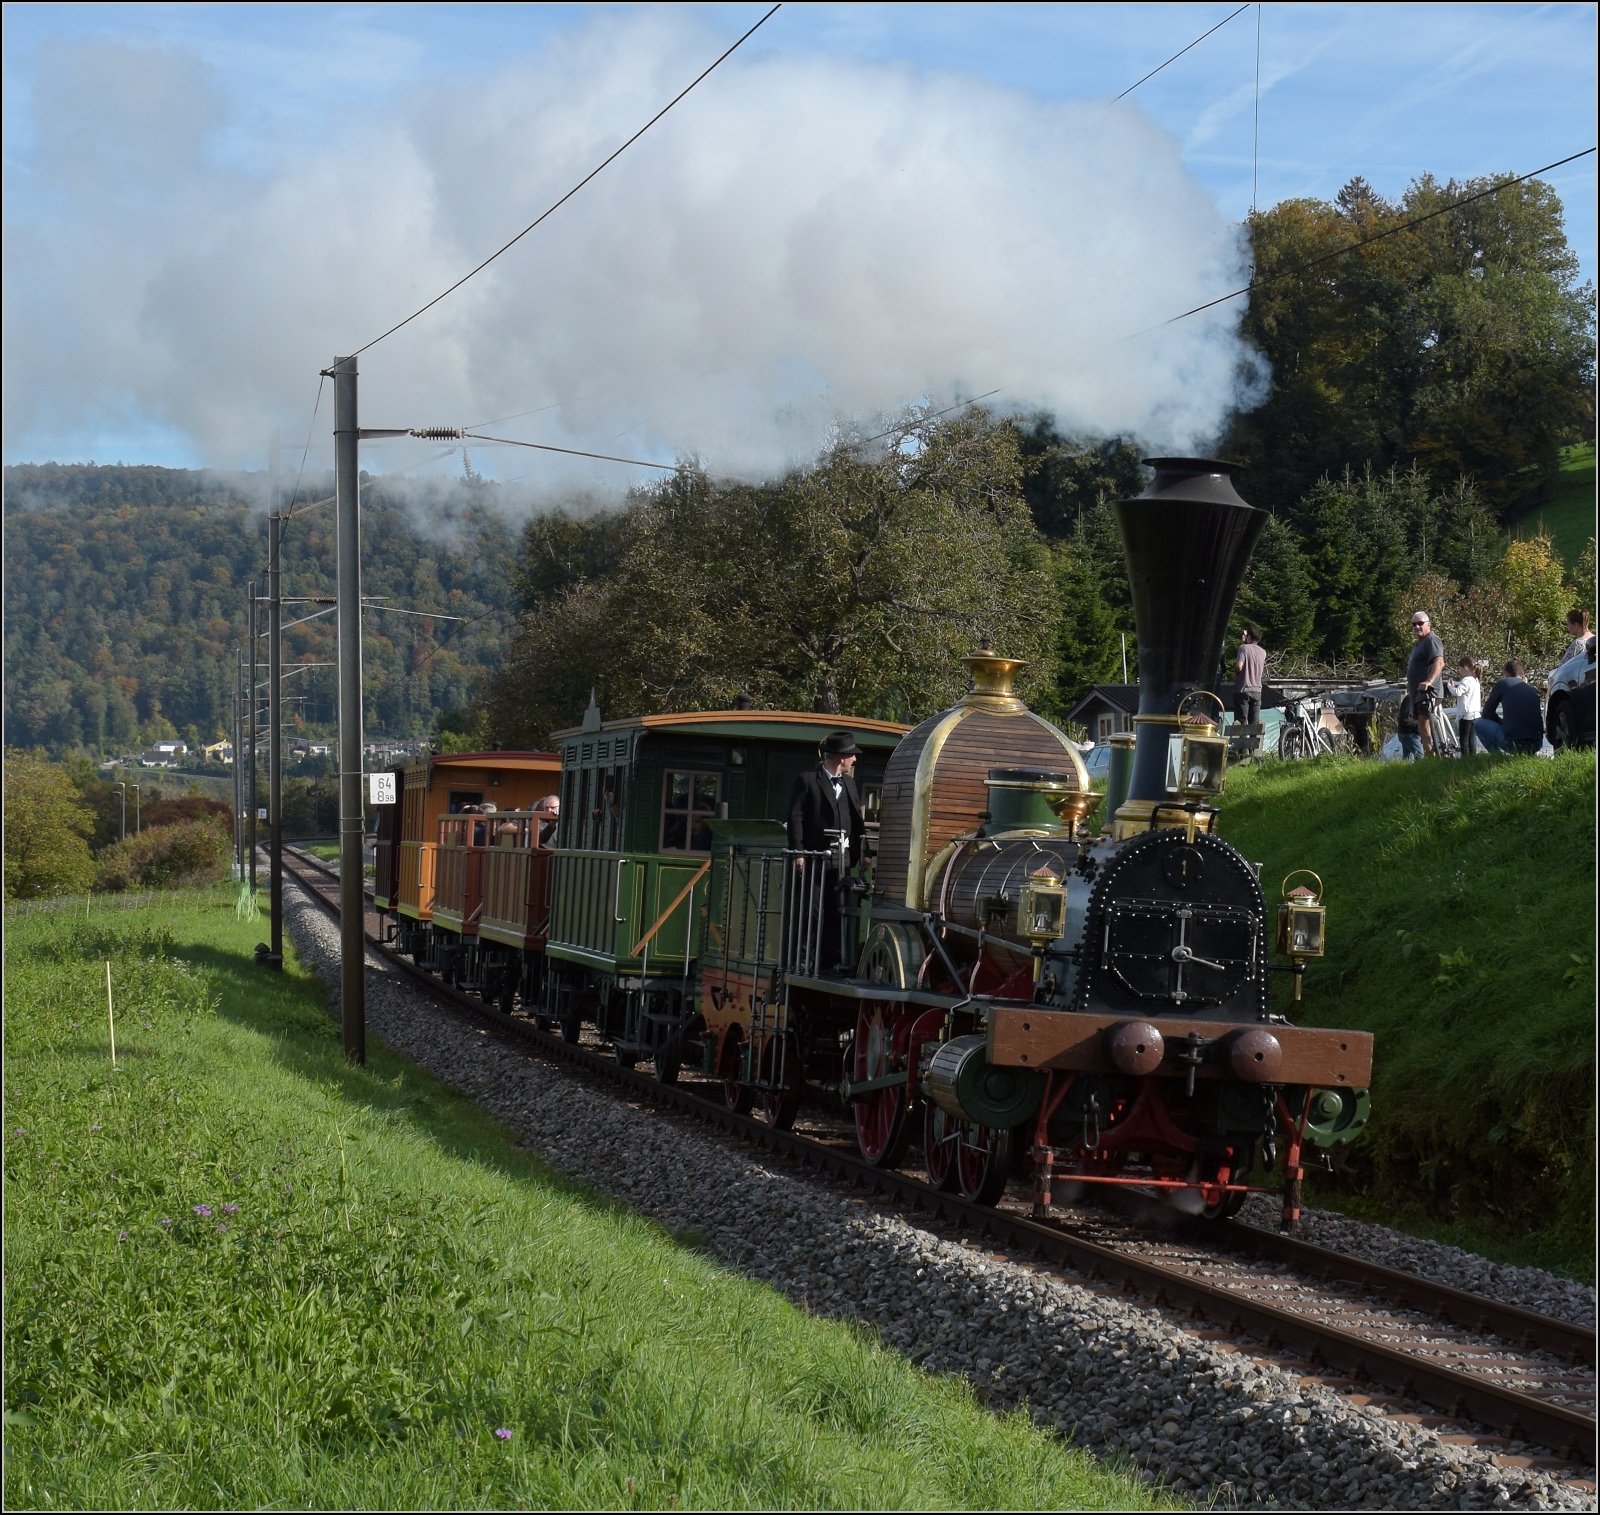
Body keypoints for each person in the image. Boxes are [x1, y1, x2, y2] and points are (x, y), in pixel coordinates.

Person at [787, 731, 865, 972]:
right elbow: (795, 818)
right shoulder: (808, 780)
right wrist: (798, 852)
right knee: (811, 911)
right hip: (815, 858)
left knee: (836, 910)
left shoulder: (849, 782)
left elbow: (856, 818)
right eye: (852, 755)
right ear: (842, 757)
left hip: (841, 861)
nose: (855, 760)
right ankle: (804, 961)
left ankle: (831, 961)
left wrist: (866, 851)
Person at [1475, 661, 1544, 754]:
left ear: (1506, 673)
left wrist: (1501, 722)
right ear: (1523, 676)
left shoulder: (1503, 683)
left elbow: (1487, 713)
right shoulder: (1531, 690)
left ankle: (1497, 757)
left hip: (1514, 744)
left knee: (1478, 723)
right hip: (1536, 745)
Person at [1406, 611, 1446, 756]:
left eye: (1420, 623)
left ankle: (1431, 757)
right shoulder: (1419, 643)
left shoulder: (1431, 640)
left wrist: (1429, 681)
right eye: (1414, 624)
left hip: (1428, 692)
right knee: (1421, 726)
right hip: (1418, 693)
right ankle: (1430, 755)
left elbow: (1439, 662)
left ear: (1428, 624)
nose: (1417, 626)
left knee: (1424, 724)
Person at [1234, 626, 1267, 752]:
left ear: (1249, 637)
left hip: (1242, 689)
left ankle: (1242, 752)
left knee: (1242, 721)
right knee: (1254, 722)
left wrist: (1236, 671)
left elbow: (1239, 666)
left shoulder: (1243, 648)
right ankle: (1253, 751)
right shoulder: (1263, 652)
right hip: (1257, 690)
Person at [1446, 656, 1483, 756]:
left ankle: (1465, 759)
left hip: (1466, 715)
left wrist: (1450, 686)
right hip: (1475, 714)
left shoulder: (1466, 680)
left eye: (1460, 669)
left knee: (1464, 741)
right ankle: (1472, 758)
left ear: (1465, 668)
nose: (1459, 671)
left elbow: (1457, 692)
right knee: (1472, 740)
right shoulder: (1475, 681)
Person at [1395, 692, 1423, 761]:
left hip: (1407, 733)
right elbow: (1405, 719)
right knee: (1420, 756)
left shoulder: (1415, 699)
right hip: (1408, 734)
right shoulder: (1411, 699)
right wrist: (1420, 723)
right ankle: (1420, 771)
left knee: (1406, 758)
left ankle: (1404, 770)